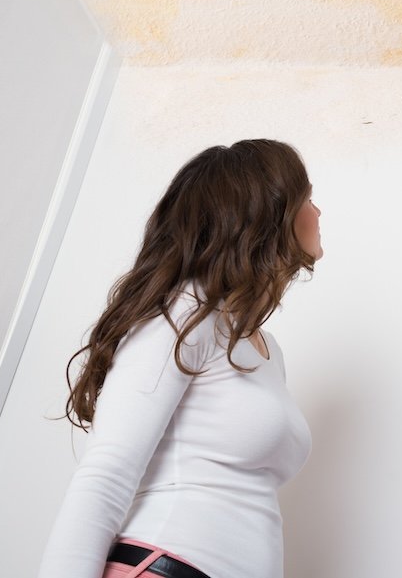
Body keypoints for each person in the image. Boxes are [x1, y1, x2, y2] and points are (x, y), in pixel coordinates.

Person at [39, 139, 322, 578]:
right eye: (307, 199)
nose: (317, 212)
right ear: (269, 216)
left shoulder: (265, 350)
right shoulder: (185, 315)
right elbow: (106, 474)